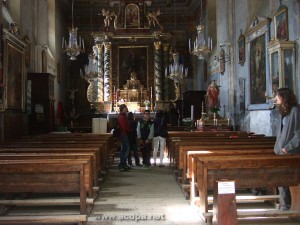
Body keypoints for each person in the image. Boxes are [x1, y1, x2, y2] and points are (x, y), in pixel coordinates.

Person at [273, 88, 300, 211]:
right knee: (280, 178)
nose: (275, 99)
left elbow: (298, 134)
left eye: (277, 96)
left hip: (290, 153)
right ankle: (284, 204)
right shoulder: (281, 112)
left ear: (284, 98)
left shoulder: (295, 111)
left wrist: (287, 148)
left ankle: (291, 205)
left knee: (290, 178)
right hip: (280, 152)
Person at [118, 104, 131, 171]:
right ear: (123, 108)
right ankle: (122, 163)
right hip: (124, 134)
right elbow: (123, 127)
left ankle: (123, 163)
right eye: (126, 107)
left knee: (124, 149)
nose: (127, 108)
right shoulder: (121, 117)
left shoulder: (123, 116)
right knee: (126, 148)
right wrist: (129, 130)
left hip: (124, 134)